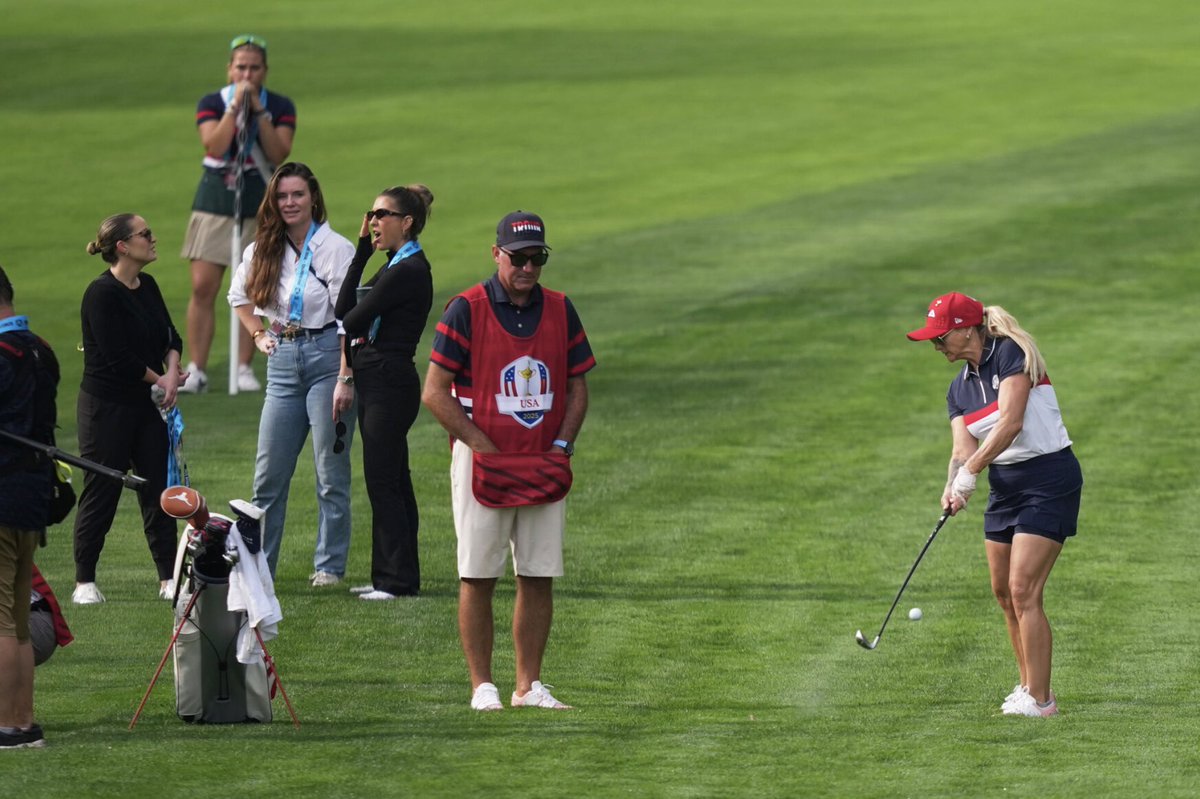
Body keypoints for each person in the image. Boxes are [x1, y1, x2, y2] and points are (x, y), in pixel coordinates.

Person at [423, 211, 596, 711]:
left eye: (537, 258)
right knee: (477, 574)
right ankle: (483, 686)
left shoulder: (562, 309)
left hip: (543, 462)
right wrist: (481, 448)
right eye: (518, 257)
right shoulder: (466, 308)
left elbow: (576, 387)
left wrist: (562, 447)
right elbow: (434, 393)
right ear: (496, 253)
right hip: (484, 465)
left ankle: (528, 686)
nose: (527, 267)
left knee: (538, 574)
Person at [907, 291, 1082, 718]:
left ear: (966, 329)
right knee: (1003, 592)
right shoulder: (958, 388)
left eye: (940, 337)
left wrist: (972, 472)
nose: (936, 346)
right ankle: (1025, 686)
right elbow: (960, 448)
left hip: (1048, 479)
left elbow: (1011, 422)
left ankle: (1042, 700)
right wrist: (953, 486)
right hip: (1006, 487)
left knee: (1025, 590)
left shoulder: (1010, 353)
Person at [228, 162, 356, 585]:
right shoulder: (261, 247)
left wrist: (344, 376)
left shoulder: (335, 248)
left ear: (313, 198)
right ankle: (260, 570)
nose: (289, 203)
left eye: (297, 195)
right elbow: (239, 297)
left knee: (329, 471)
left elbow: (349, 320)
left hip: (326, 356)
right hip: (282, 358)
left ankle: (329, 567)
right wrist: (258, 334)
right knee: (268, 476)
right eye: (282, 196)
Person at [76, 215, 186, 604]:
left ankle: (167, 577)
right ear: (122, 246)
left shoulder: (148, 285)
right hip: (106, 408)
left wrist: (171, 371)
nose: (153, 239)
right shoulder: (101, 294)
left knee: (158, 487)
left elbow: (171, 336)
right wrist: (162, 380)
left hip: (145, 406)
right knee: (103, 486)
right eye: (145, 235)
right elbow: (117, 357)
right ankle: (84, 581)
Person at [334, 185, 435, 600]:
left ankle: (395, 581)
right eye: (371, 214)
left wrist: (362, 255)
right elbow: (346, 309)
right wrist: (362, 250)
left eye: (381, 214)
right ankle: (394, 577)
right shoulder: (394, 264)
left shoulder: (407, 270)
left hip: (388, 381)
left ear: (406, 222)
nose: (373, 222)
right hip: (381, 379)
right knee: (393, 478)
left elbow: (349, 317)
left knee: (384, 480)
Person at [180, 34, 296, 394]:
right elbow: (213, 143)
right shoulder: (212, 102)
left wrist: (257, 111)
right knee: (203, 286)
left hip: (259, 201)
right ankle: (197, 367)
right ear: (230, 69)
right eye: (240, 66)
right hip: (217, 197)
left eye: (254, 67)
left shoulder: (278, 105)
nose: (247, 73)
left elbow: (279, 154)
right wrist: (235, 108)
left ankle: (245, 366)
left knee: (256, 285)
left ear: (265, 71)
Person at [0, 263, 57, 748]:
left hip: (2, 494)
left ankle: (9, 725)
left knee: (2, 618)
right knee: (16, 617)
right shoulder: (40, 350)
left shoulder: (2, 355)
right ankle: (22, 723)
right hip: (32, 496)